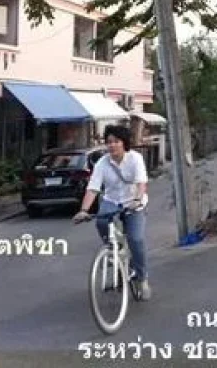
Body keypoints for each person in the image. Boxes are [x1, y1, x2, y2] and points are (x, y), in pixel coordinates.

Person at [73, 124, 151, 300]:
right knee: (101, 221)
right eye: (108, 142)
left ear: (124, 143)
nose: (112, 145)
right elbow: (93, 189)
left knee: (136, 239)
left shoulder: (135, 159)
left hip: (133, 203)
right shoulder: (102, 163)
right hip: (112, 201)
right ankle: (113, 249)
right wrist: (84, 210)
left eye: (116, 141)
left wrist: (138, 200)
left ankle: (142, 277)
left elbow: (141, 184)